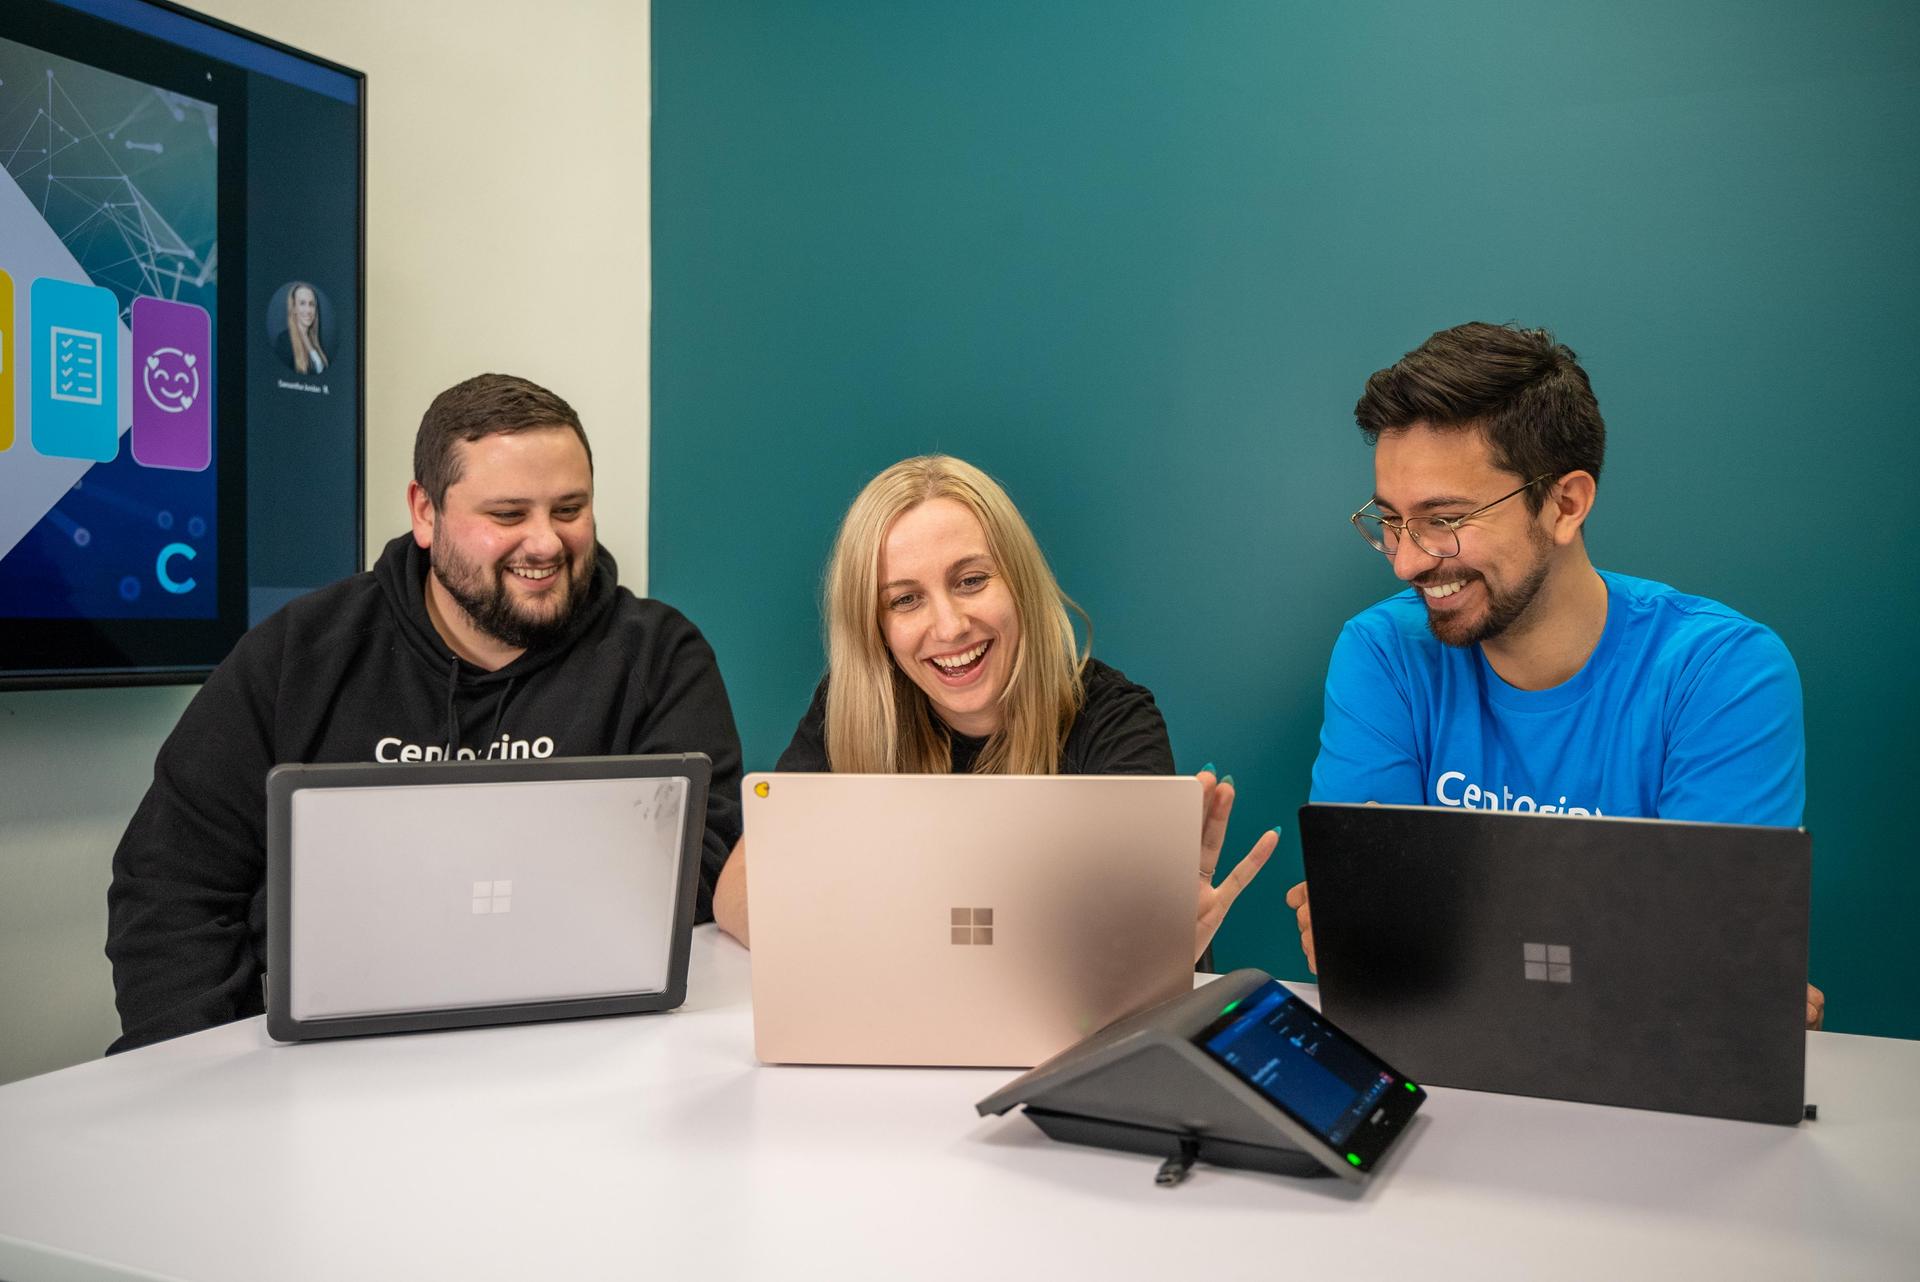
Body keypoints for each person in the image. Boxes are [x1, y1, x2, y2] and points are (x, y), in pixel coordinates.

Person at [106, 374, 744, 1051]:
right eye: (507, 515)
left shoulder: (660, 657)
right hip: (327, 1058)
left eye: (569, 509)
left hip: (583, 1046)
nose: (546, 544)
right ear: (425, 512)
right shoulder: (300, 654)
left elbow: (697, 878)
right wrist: (210, 1068)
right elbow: (171, 885)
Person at [1286, 321, 1823, 1027]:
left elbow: (1715, 976)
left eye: (1444, 519)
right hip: (1444, 1082)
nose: (1407, 561)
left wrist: (1441, 931)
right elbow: (1364, 946)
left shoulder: (1722, 673)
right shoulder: (1383, 652)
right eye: (1389, 519)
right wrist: (1666, 959)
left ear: (1565, 503)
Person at [711, 454, 1274, 962]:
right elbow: (737, 891)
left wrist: (1155, 951)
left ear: (1019, 583)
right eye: (905, 600)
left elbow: (1119, 949)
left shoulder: (1113, 719)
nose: (950, 626)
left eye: (972, 580)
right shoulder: (851, 705)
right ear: (875, 627)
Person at [275, 282, 328, 375]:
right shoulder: (284, 341)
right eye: (302, 303)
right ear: (294, 308)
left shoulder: (314, 341)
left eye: (311, 304)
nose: (308, 310)